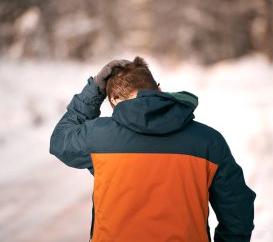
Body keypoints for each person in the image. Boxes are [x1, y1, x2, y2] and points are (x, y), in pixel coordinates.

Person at [49, 56, 256, 242]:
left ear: (113, 100)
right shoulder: (209, 141)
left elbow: (60, 141)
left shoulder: (98, 137)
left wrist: (94, 89)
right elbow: (238, 212)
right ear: (158, 90)